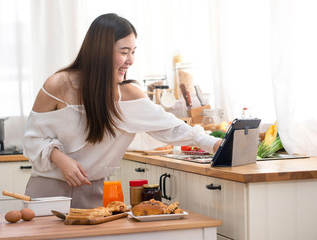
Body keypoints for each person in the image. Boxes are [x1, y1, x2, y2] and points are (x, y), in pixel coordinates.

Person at [23, 13, 221, 209]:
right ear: (100, 51)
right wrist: (60, 158)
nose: (131, 60)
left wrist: (215, 144)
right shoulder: (58, 85)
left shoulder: (128, 95)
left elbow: (172, 127)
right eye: (124, 52)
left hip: (95, 193)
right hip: (47, 193)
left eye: (133, 52)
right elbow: (31, 140)